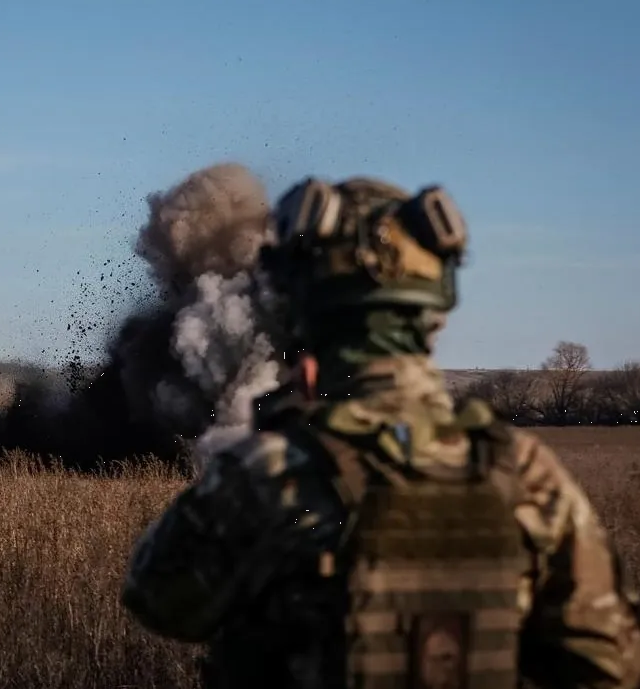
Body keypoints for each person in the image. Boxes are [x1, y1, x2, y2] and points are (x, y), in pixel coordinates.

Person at [120, 176, 640, 689]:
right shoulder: (526, 475)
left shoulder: (269, 474)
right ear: (434, 313)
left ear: (299, 311)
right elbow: (609, 664)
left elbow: (158, 600)